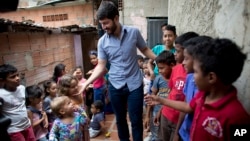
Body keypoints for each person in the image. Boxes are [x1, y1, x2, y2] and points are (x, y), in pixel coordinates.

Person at [145, 38, 250, 141]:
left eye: (195, 72)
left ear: (211, 77)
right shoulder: (203, 96)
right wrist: (160, 100)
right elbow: (188, 106)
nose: (191, 77)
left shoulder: (238, 117)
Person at [81, 1, 156, 141]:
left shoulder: (133, 32)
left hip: (135, 84)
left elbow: (145, 49)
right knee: (120, 120)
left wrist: (159, 59)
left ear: (116, 18)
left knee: (136, 119)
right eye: (101, 24)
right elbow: (101, 65)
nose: (103, 27)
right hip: (115, 86)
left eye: (106, 23)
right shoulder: (102, 42)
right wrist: (86, 83)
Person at [156, 32, 199, 141]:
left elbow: (187, 107)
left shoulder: (194, 78)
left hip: (178, 122)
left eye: (178, 51)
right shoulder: (176, 70)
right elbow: (171, 93)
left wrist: (177, 131)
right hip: (166, 115)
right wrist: (161, 109)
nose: (175, 54)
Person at [174, 36, 212, 141]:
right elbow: (186, 106)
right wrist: (177, 132)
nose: (183, 63)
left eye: (186, 58)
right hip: (185, 134)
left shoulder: (236, 115)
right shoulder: (190, 78)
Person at [144, 50, 176, 141]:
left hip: (169, 115)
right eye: (158, 68)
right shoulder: (158, 79)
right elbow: (151, 97)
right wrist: (147, 116)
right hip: (156, 112)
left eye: (162, 68)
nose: (159, 71)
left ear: (172, 65)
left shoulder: (176, 80)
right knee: (156, 134)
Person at [0, 64, 36, 141]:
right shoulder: (1, 94)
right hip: (14, 130)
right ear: (3, 80)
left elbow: (24, 106)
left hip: (27, 125)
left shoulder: (22, 88)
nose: (17, 78)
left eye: (17, 75)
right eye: (13, 77)